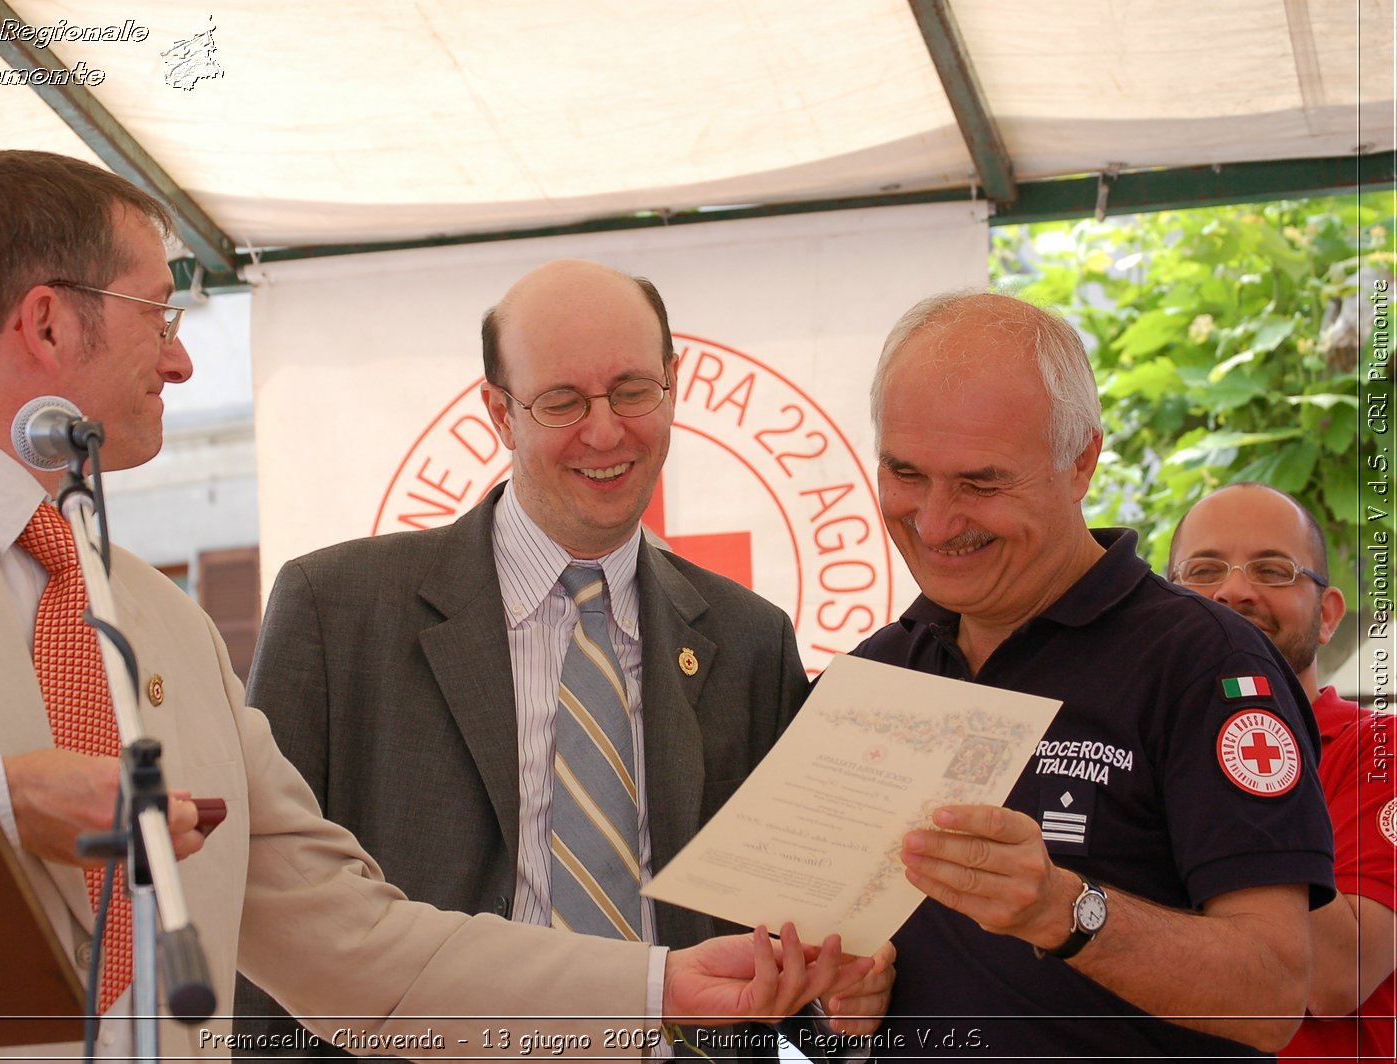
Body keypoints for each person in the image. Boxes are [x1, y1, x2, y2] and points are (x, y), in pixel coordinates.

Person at [0, 150, 882, 1058]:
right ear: (44, 321)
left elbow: (364, 951)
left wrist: (662, 985)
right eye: (158, 311)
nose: (177, 357)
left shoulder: (165, 629)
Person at [234, 258, 887, 1057]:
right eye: (563, 402)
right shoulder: (336, 612)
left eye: (633, 390)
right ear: (498, 414)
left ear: (673, 384)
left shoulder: (751, 641)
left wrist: (842, 1012)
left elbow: (790, 956)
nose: (606, 432)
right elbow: (263, 925)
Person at [847, 291, 1337, 1057]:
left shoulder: (1206, 663)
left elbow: (1272, 995)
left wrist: (1064, 910)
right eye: (906, 473)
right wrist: (832, 1008)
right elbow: (824, 989)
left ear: (1081, 463)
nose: (935, 522)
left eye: (980, 483)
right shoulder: (873, 673)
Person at [1170, 483, 1396, 1061]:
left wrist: (1244, 740)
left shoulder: (1381, 750)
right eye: (1203, 570)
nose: (1234, 591)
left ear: (1327, 616)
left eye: (1272, 571)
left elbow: (1338, 981)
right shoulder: (1139, 751)